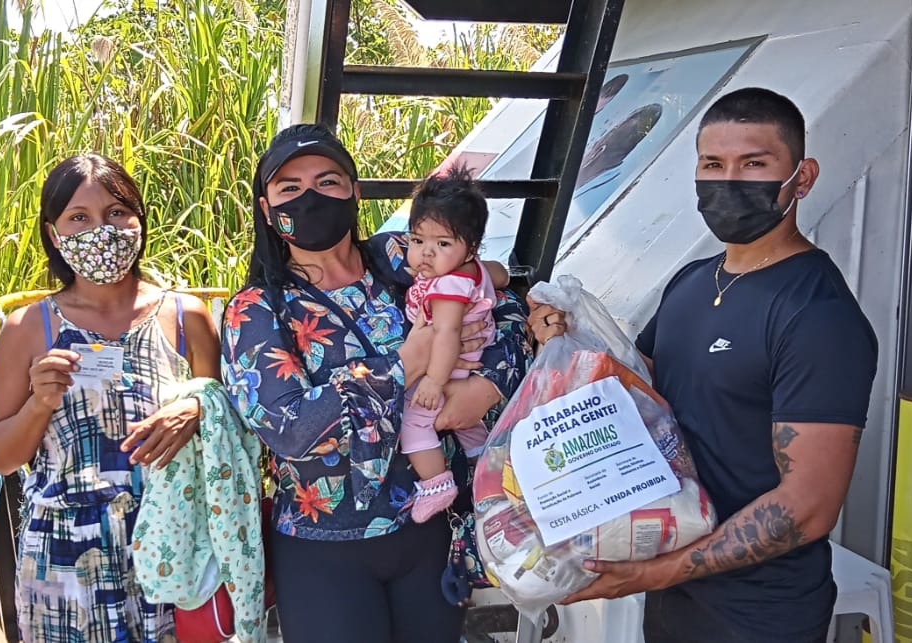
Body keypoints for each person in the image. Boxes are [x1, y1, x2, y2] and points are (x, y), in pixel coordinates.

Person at [530, 87, 878, 643]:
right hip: (675, 598)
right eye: (713, 164)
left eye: (754, 164)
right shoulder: (693, 281)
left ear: (803, 177)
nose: (729, 180)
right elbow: (641, 392)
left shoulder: (817, 314)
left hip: (759, 615)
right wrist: (566, 339)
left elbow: (809, 506)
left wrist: (653, 573)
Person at [221, 123, 530, 643]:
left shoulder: (402, 260)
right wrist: (403, 364)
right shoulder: (257, 309)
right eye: (290, 188)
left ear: (355, 191)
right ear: (267, 209)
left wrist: (487, 387)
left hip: (428, 532)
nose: (311, 197)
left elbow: (507, 312)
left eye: (328, 181)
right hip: (325, 549)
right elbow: (290, 429)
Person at [0, 154, 221, 643]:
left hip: (170, 545)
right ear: (54, 235)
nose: (102, 231)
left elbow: (228, 427)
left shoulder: (186, 317)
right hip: (64, 557)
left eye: (116, 212)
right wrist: (38, 403)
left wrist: (199, 408)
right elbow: (1, 456)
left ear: (139, 221)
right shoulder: (29, 328)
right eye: (79, 217)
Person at [400, 167, 509, 523]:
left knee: (414, 421)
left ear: (470, 247)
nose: (426, 254)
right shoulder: (471, 269)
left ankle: (436, 483)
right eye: (418, 241)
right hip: (469, 362)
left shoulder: (447, 288)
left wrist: (433, 381)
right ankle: (487, 466)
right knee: (466, 423)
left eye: (443, 244)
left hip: (448, 365)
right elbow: (501, 274)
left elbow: (446, 334)